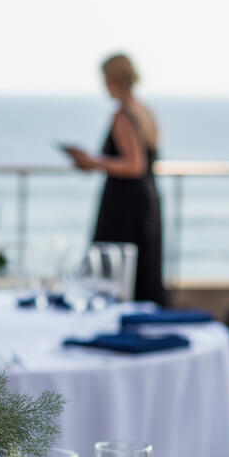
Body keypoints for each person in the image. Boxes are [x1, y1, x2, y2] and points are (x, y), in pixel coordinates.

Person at [64, 53, 165, 304]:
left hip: (125, 205)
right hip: (147, 198)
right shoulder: (144, 112)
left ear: (111, 80)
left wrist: (91, 162)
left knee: (114, 271)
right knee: (142, 270)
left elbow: (134, 165)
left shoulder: (124, 115)